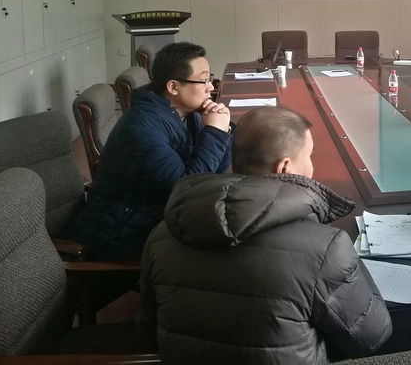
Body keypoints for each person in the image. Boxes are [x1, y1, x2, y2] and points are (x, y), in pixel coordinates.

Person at [140, 106, 392, 365]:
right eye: (309, 155)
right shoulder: (325, 248)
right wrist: (351, 258)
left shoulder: (161, 234)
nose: (312, 165)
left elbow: (149, 327)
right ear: (284, 167)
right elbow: (371, 336)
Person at [78, 41, 232, 261]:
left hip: (156, 212)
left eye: (209, 78)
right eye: (204, 80)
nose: (210, 87)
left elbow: (217, 169)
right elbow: (186, 189)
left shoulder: (187, 112)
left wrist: (223, 130)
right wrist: (215, 132)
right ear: (173, 87)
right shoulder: (141, 129)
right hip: (124, 233)